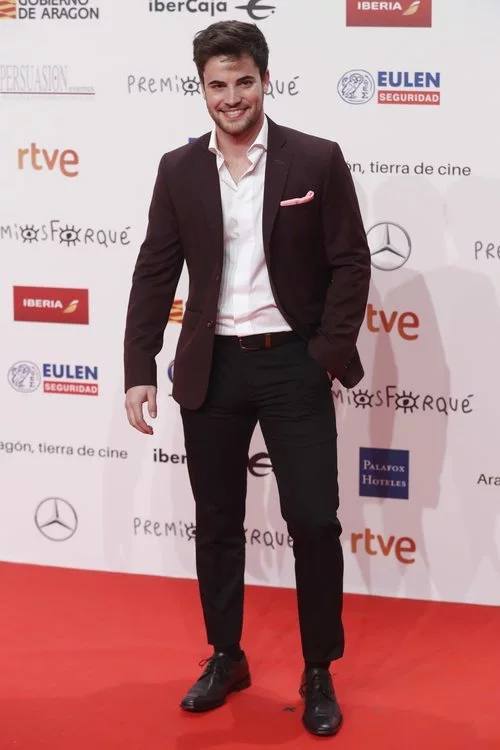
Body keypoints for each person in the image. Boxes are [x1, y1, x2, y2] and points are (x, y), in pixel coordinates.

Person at [124, 20, 370, 738]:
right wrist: (139, 366)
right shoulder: (178, 169)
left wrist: (325, 353)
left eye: (242, 82)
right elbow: (154, 270)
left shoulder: (315, 159)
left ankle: (318, 669)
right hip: (213, 366)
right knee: (217, 522)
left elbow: (351, 261)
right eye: (216, 85)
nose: (230, 97)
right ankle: (227, 656)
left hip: (293, 361)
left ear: (265, 80)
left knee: (314, 521)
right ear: (201, 89)